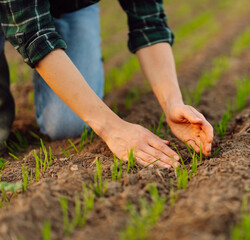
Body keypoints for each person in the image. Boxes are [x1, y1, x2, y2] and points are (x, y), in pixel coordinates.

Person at [0, 0, 213, 168]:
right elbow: (34, 36)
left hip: (69, 6)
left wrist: (172, 103)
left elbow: (149, 21)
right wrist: (113, 128)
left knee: (70, 123)